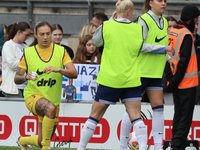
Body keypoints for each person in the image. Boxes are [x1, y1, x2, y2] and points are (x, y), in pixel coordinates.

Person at [78, 0, 148, 150]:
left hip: (110, 79)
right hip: (131, 78)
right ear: (129, 11)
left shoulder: (107, 25)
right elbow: (138, 50)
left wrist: (109, 21)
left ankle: (81, 148)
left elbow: (96, 42)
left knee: (95, 115)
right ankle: (143, 148)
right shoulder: (138, 29)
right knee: (136, 116)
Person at [120, 0, 176, 150]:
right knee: (132, 111)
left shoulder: (164, 21)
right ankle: (122, 146)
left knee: (158, 108)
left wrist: (168, 58)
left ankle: (158, 146)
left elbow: (160, 45)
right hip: (140, 72)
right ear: (150, 3)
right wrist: (164, 48)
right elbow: (140, 46)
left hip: (155, 72)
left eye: (165, 1)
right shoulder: (143, 20)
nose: (163, 3)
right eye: (159, 0)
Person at [14, 21, 77, 150]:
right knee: (50, 109)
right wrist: (25, 76)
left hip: (53, 99)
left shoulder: (61, 51)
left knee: (42, 139)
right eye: (42, 34)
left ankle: (22, 141)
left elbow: (74, 73)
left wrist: (58, 69)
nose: (45, 37)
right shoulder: (28, 53)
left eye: (48, 34)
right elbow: (16, 79)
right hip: (32, 96)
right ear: (36, 35)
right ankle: (46, 148)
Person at [166, 5, 199, 150]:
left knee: (178, 115)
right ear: (192, 19)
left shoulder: (173, 31)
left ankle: (175, 143)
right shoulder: (186, 34)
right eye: (196, 19)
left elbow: (168, 56)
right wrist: (175, 81)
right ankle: (177, 147)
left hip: (175, 81)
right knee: (185, 118)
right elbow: (184, 62)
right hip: (186, 83)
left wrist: (171, 81)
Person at [1, 22, 31, 98]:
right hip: (12, 88)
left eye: (29, 35)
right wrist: (26, 61)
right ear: (19, 32)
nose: (27, 38)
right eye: (26, 35)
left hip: (26, 86)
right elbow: (12, 65)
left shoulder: (26, 47)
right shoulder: (8, 45)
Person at [162, 16, 177, 105]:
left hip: (174, 83)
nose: (171, 29)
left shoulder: (179, 42)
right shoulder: (160, 42)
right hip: (160, 83)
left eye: (174, 27)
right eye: (169, 26)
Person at [193, 20, 200, 105]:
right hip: (184, 81)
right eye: (194, 24)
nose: (196, 27)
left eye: (197, 24)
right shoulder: (181, 39)